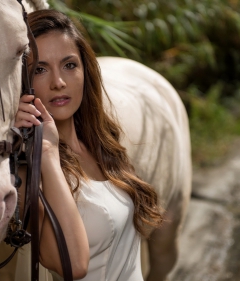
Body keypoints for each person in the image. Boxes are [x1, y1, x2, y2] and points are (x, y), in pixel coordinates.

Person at [14, 9, 163, 281]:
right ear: (22, 82)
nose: (58, 83)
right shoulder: (27, 174)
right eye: (40, 69)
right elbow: (74, 265)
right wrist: (46, 152)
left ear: (85, 71)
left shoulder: (101, 144)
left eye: (69, 65)